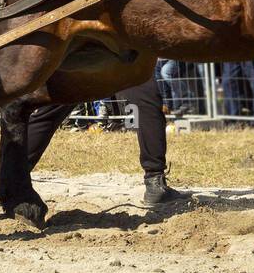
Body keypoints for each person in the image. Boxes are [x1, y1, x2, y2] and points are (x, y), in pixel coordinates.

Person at [25, 77, 188, 207]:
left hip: (83, 49)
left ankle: (13, 175)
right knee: (145, 99)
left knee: (52, 109)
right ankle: (154, 181)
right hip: (121, 50)